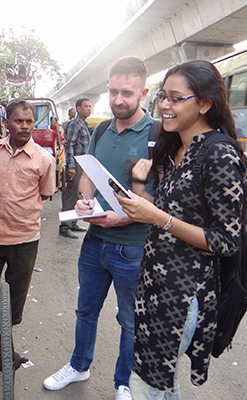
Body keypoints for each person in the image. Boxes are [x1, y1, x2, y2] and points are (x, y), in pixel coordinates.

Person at [115, 60, 246, 399]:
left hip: (182, 295)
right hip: (153, 285)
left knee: (148, 385)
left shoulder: (219, 154)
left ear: (204, 103)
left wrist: (157, 217)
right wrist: (140, 194)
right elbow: (165, 212)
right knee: (159, 383)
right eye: (163, 96)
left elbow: (226, 240)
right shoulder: (177, 148)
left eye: (176, 98)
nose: (165, 106)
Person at [44, 56, 155, 400]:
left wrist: (127, 217)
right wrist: (83, 201)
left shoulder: (158, 134)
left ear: (143, 92)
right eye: (114, 91)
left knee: (129, 321)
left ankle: (124, 382)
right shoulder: (103, 129)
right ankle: (79, 365)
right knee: (85, 310)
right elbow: (89, 171)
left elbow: (163, 195)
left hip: (133, 248)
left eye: (127, 92)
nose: (119, 100)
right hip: (94, 241)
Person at [0, 99, 56, 339]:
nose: (25, 126)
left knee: (17, 292)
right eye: (19, 121)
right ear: (7, 123)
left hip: (25, 238)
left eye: (29, 121)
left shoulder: (45, 160)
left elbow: (46, 193)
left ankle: (8, 333)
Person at [59, 98, 92, 239]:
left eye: (90, 106)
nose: (89, 109)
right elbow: (70, 145)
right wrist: (71, 166)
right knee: (70, 195)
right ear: (78, 108)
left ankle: (73, 223)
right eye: (86, 106)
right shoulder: (74, 124)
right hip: (76, 164)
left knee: (79, 195)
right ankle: (65, 227)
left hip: (83, 163)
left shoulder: (84, 124)